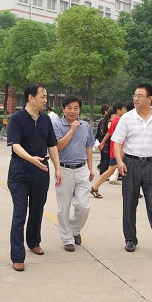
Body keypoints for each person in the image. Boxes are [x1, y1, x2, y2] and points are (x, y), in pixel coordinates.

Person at [113, 84, 152, 256]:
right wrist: (120, 162)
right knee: (129, 204)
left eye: (140, 96)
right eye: (135, 95)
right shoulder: (127, 118)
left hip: (151, 166)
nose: (136, 99)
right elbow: (117, 142)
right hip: (130, 164)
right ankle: (130, 239)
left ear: (150, 98)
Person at [6, 82, 62, 272]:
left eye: (46, 96)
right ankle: (17, 256)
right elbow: (15, 145)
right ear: (30, 97)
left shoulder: (46, 120)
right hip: (20, 171)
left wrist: (58, 168)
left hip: (41, 170)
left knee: (37, 209)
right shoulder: (17, 119)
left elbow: (52, 145)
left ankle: (33, 241)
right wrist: (31, 159)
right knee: (20, 212)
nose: (46, 100)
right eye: (42, 96)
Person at [52, 95, 94, 252]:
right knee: (63, 208)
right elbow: (58, 146)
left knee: (84, 206)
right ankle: (67, 239)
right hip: (64, 170)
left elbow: (88, 147)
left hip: (82, 169)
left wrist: (90, 168)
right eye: (69, 108)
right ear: (63, 109)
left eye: (76, 108)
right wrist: (72, 130)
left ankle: (74, 230)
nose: (72, 111)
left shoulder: (85, 126)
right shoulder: (56, 125)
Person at [91, 102, 128, 198]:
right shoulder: (117, 122)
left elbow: (109, 133)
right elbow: (117, 139)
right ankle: (95, 187)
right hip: (117, 151)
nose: (124, 111)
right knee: (111, 170)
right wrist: (120, 152)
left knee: (116, 170)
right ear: (118, 111)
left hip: (117, 151)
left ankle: (133, 191)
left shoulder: (116, 121)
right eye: (123, 109)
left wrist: (102, 143)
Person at [95, 104, 112, 176]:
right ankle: (103, 171)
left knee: (103, 157)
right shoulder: (107, 121)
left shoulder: (101, 121)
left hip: (101, 141)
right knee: (106, 158)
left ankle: (101, 169)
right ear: (105, 111)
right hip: (105, 142)